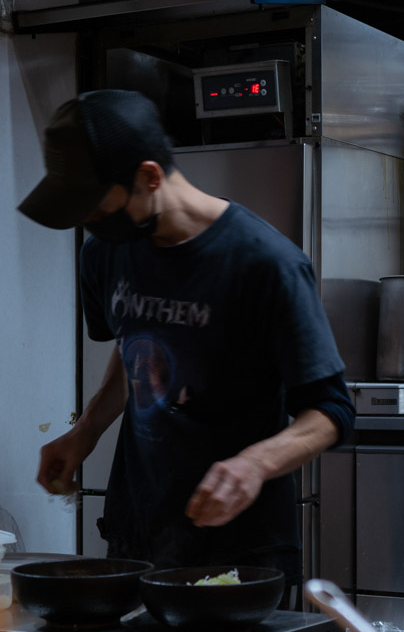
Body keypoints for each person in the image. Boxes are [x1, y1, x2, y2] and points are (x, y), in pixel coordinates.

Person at [18, 91, 353, 585]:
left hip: (240, 546)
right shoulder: (105, 254)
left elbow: (331, 412)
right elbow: (135, 344)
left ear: (149, 177)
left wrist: (254, 464)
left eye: (95, 205)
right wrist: (86, 429)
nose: (89, 220)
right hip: (137, 529)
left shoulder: (266, 265)